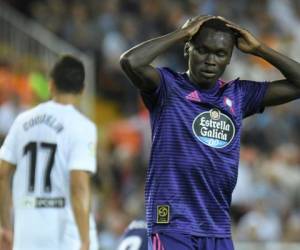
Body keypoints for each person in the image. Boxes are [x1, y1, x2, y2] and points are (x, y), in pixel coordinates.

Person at [120, 15, 300, 250]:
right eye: (203, 50)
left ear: (229, 59)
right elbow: (131, 62)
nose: (210, 60)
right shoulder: (167, 87)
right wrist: (181, 33)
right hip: (173, 222)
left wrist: (259, 49)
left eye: (220, 54)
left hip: (217, 226)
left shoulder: (238, 95)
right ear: (188, 50)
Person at [0, 55, 98, 250]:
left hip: (26, 233)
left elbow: (1, 174)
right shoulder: (82, 126)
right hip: (65, 234)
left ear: (51, 85)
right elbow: (79, 185)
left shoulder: (22, 121)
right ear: (82, 89)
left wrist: (6, 226)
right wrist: (84, 239)